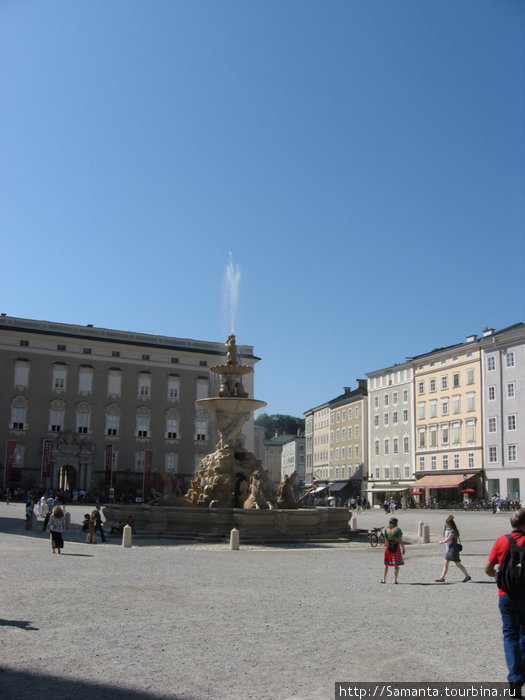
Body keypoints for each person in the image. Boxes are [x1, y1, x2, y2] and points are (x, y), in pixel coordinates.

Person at [485, 509, 525, 697]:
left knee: (510, 636)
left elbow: (488, 569)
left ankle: (515, 679)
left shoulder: (501, 540)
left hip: (506, 595)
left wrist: (501, 579)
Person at [435, 515, 471, 583]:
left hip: (453, 549)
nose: (446, 525)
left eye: (447, 524)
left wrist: (441, 542)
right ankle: (442, 578)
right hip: (451, 549)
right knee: (446, 563)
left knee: (458, 564)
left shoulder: (453, 531)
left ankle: (467, 576)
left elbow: (448, 539)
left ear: (449, 524)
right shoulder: (453, 530)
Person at [380, 517, 405, 584]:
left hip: (388, 546)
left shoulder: (386, 530)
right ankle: (395, 580)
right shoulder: (398, 530)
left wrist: (386, 546)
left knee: (386, 564)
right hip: (396, 546)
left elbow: (385, 540)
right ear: (396, 523)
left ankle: (384, 579)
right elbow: (400, 539)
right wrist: (403, 547)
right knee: (396, 564)